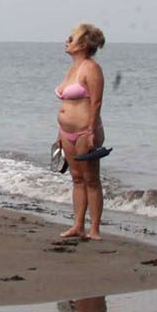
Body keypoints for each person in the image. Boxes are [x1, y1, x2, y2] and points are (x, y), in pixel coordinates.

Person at [53, 22, 110, 239]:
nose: (67, 41)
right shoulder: (72, 68)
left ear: (84, 44)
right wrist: (59, 131)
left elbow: (96, 102)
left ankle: (94, 228)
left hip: (86, 131)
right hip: (66, 131)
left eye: (71, 38)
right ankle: (78, 224)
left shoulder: (91, 68)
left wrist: (91, 131)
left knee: (91, 179)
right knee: (76, 178)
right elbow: (65, 104)